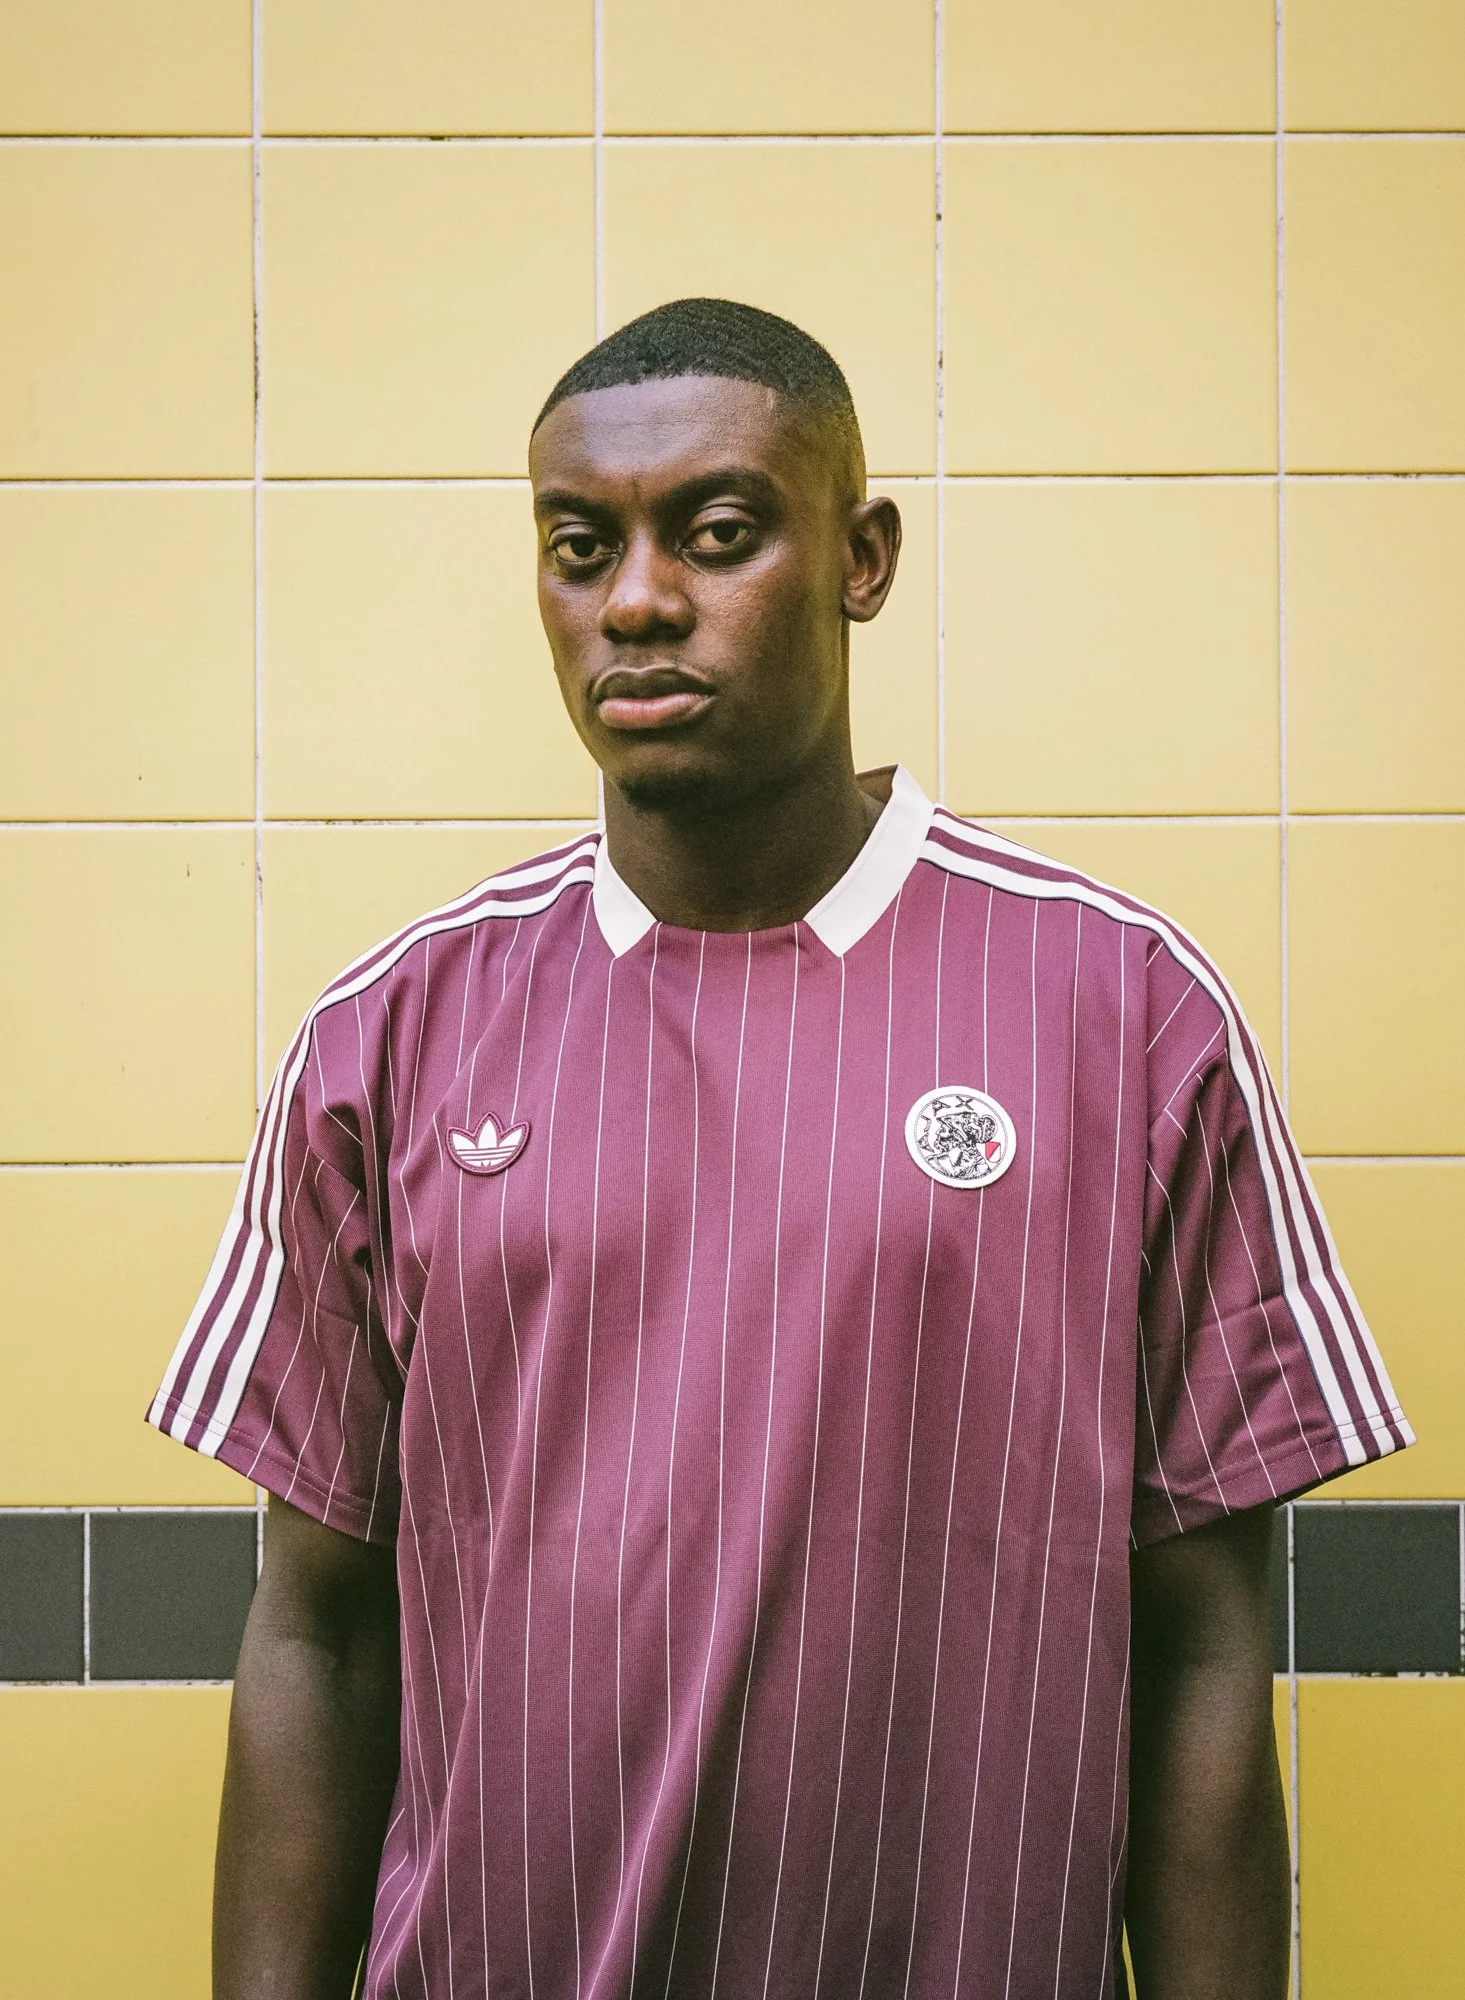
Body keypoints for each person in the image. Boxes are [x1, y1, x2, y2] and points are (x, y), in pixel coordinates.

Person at [150, 297, 1411, 2000]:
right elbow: (313, 1635)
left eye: (719, 533)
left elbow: (1201, 1650)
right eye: (579, 547)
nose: (640, 600)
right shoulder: (389, 1040)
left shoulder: (1128, 1012)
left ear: (862, 557)